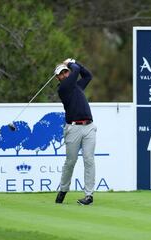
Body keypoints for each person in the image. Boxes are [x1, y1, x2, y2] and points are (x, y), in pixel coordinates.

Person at [54, 58, 97, 205]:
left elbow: (88, 76)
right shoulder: (63, 89)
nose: (65, 74)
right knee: (70, 161)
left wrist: (74, 61)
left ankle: (89, 196)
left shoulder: (77, 87)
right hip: (73, 128)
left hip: (89, 127)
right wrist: (71, 64)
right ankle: (63, 190)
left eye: (66, 72)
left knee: (89, 160)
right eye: (62, 73)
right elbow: (77, 71)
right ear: (58, 78)